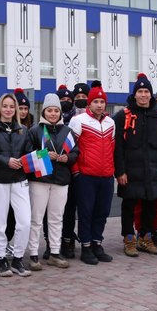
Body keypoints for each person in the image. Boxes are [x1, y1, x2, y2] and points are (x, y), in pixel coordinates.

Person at [113, 73, 157, 257]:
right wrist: (120, 171)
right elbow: (118, 147)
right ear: (135, 94)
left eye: (146, 91)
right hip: (131, 171)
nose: (143, 95)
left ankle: (146, 238)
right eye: (140, 91)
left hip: (154, 171)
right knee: (129, 206)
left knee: (150, 206)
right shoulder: (123, 116)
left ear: (151, 94)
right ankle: (129, 239)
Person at [0, 93, 33, 277]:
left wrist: (29, 159)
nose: (9, 109)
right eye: (5, 106)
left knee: (25, 221)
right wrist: (6, 161)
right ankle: (2, 257)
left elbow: (29, 153)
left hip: (20, 180)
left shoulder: (23, 130)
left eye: (12, 106)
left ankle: (18, 258)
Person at [27, 94, 79, 269]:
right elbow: (27, 153)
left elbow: (76, 152)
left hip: (61, 180)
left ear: (60, 112)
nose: (53, 113)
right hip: (40, 180)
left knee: (56, 218)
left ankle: (55, 253)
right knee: (36, 218)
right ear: (44, 111)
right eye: (49, 110)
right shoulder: (35, 130)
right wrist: (44, 155)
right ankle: (33, 254)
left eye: (56, 110)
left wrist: (67, 158)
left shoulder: (67, 132)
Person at [68, 81, 115, 264]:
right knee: (86, 212)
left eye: (102, 102)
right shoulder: (78, 121)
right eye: (95, 101)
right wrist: (76, 172)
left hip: (106, 175)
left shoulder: (111, 122)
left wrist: (112, 170)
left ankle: (97, 243)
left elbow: (113, 147)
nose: (99, 105)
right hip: (86, 175)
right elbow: (71, 148)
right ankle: (86, 246)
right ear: (89, 103)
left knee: (102, 212)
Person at [60, 81, 91, 258]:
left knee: (85, 207)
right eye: (77, 97)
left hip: (86, 169)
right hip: (67, 169)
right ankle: (67, 240)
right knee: (68, 208)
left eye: (83, 97)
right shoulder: (65, 119)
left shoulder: (92, 118)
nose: (80, 100)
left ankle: (87, 240)